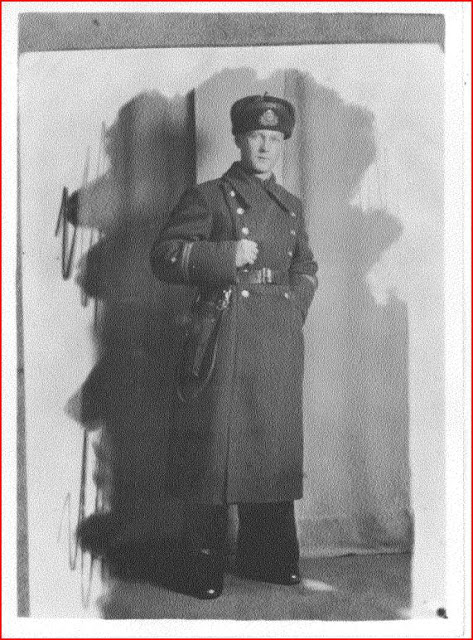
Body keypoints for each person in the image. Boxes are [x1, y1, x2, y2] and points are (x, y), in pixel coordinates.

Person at [150, 94, 318, 599]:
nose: (265, 146)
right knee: (214, 448)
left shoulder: (291, 206)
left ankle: (266, 556)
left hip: (277, 339)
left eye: (274, 138)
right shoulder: (209, 197)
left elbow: (306, 267)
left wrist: (292, 307)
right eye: (256, 136)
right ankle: (201, 566)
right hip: (224, 333)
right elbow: (163, 256)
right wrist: (226, 255)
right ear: (240, 139)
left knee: (271, 444)